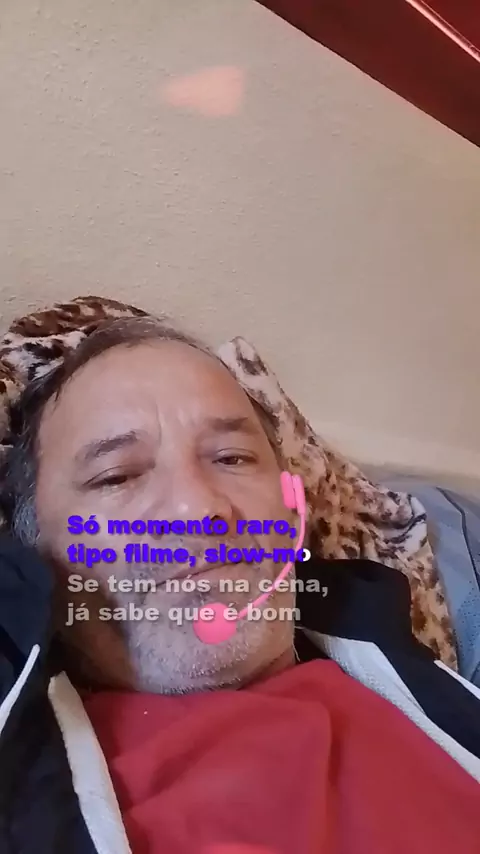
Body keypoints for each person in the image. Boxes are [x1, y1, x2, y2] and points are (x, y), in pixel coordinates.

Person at [0, 316, 479, 854]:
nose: (198, 508)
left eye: (232, 458)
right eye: (117, 476)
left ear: (292, 508)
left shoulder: (423, 680)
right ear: (34, 548)